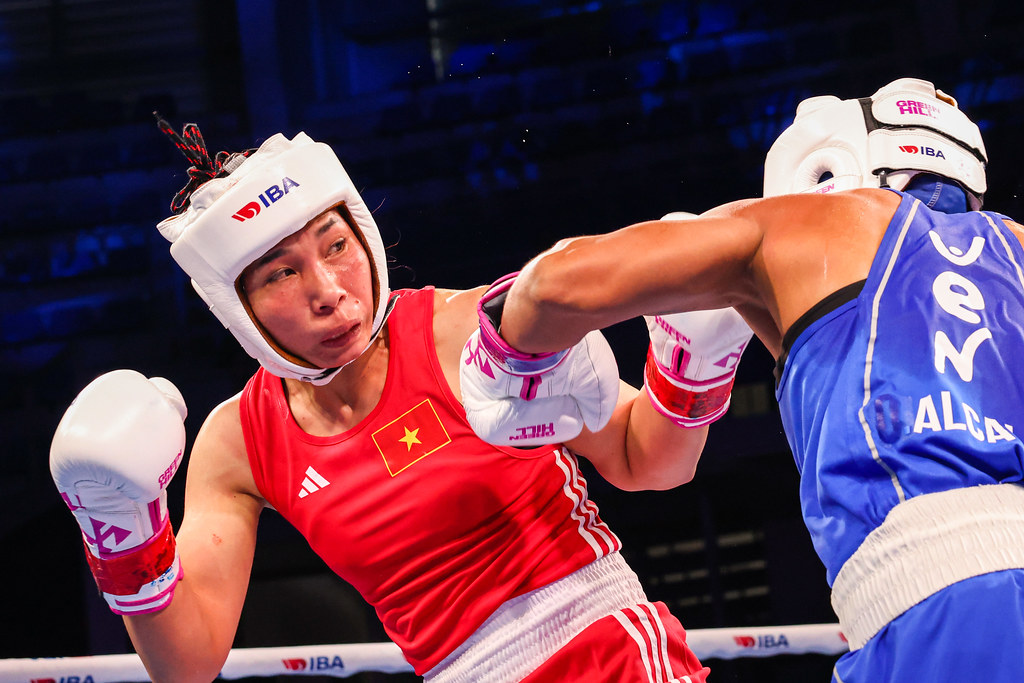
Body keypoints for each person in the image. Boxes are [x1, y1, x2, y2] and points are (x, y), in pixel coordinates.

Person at [47, 118, 718, 683]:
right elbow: (187, 662)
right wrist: (124, 537)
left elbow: (651, 464)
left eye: (336, 246)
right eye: (283, 271)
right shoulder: (238, 441)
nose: (329, 289)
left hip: (605, 648)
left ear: (365, 236)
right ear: (236, 305)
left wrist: (687, 369)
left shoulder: (464, 329)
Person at [463, 77, 1024, 682]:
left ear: (825, 169)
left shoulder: (805, 223)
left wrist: (505, 357)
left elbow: (554, 284)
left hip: (941, 610)